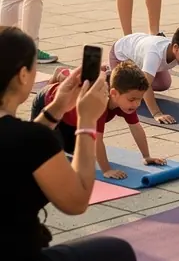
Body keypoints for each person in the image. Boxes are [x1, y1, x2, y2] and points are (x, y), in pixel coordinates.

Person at [0, 27, 136, 261]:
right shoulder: (29, 142)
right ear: (23, 75)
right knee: (119, 256)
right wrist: (87, 122)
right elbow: (76, 200)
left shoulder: (26, 139)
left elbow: (15, 149)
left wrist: (56, 108)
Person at [31, 61, 167, 178]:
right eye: (132, 99)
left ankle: (62, 77)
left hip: (71, 119)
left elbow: (136, 128)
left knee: (72, 151)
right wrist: (106, 170)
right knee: (49, 157)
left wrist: (146, 156)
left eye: (139, 99)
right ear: (114, 94)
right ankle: (61, 76)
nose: (136, 104)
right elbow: (97, 140)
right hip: (48, 103)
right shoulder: (99, 103)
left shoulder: (126, 103)